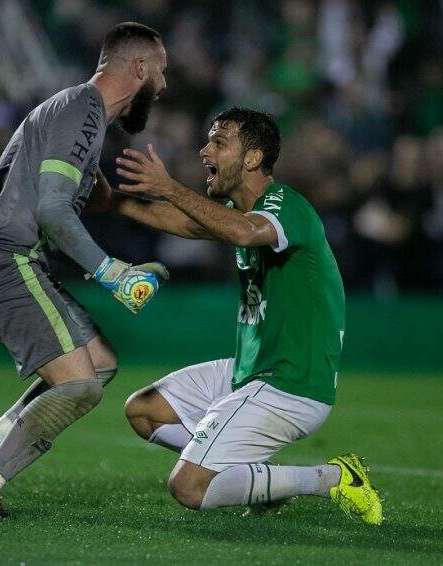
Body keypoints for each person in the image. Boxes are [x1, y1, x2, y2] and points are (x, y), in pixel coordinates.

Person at [113, 107, 382, 524]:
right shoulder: (238, 214)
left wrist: (168, 186)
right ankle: (257, 481)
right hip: (250, 371)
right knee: (144, 410)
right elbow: (188, 224)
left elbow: (243, 232)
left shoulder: (285, 205)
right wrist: (110, 201)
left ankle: (332, 478)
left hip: (291, 384)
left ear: (253, 158)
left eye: (219, 142)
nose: (205, 150)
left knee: (188, 487)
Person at [0, 22, 169, 518]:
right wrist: (114, 275)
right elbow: (52, 210)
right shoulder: (82, 109)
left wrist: (143, 197)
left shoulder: (78, 116)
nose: (165, 83)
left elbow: (75, 199)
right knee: (80, 386)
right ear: (138, 68)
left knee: (102, 362)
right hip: (2, 257)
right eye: (162, 70)